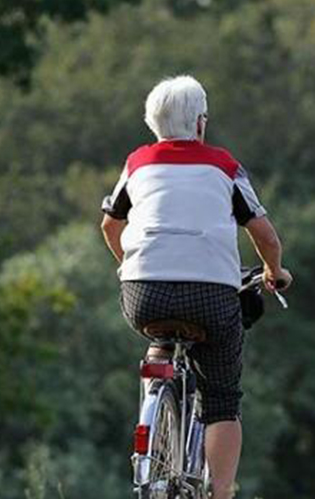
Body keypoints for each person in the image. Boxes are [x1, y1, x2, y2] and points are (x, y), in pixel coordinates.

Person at [100, 75, 292, 499]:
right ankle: (221, 492)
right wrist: (273, 270)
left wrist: (131, 264)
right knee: (222, 399)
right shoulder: (224, 166)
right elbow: (265, 235)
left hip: (142, 294)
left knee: (158, 338)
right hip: (210, 295)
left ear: (154, 123)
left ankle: (154, 405)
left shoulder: (137, 163)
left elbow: (110, 224)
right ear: (201, 123)